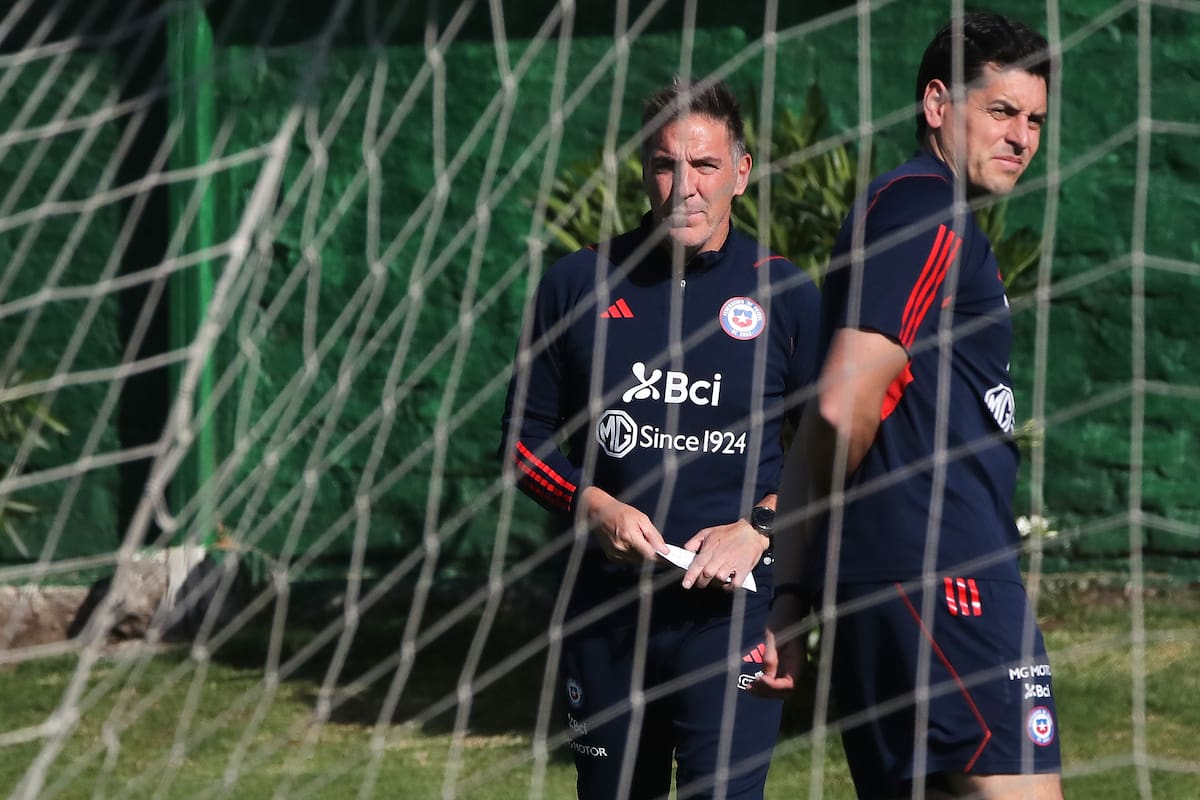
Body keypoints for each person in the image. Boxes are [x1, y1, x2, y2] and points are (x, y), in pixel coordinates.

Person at [754, 12, 1064, 800]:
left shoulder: (902, 207)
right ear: (936, 103)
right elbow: (838, 408)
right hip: (945, 580)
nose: (1021, 138)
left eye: (1035, 121)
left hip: (895, 583)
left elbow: (818, 421)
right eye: (1001, 111)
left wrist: (793, 591)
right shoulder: (928, 211)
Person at [501, 78, 821, 799]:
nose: (686, 187)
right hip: (608, 612)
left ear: (741, 173)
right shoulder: (578, 282)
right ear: (644, 172)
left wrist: (760, 528)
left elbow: (833, 452)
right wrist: (592, 505)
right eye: (666, 165)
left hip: (733, 615)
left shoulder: (786, 294)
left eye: (705, 165)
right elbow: (522, 441)